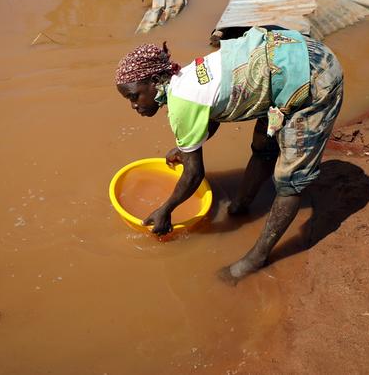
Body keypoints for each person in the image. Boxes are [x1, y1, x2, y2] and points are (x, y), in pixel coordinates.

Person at [114, 27, 344, 282]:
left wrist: (166, 209)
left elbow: (193, 175)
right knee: (264, 146)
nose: (134, 105)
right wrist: (184, 148)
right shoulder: (185, 76)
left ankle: (256, 258)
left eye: (134, 96)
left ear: (155, 82)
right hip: (287, 56)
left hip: (313, 77)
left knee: (289, 182)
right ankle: (241, 205)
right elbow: (213, 113)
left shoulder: (181, 105)